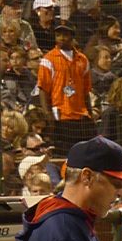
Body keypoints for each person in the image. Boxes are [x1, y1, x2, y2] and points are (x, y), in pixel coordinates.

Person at [37, 22, 96, 155]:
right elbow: (43, 90)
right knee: (65, 155)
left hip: (81, 116)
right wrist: (48, 115)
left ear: (72, 36)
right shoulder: (48, 59)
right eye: (58, 35)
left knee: (86, 154)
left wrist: (90, 114)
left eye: (65, 35)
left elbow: (86, 91)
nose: (61, 38)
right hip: (61, 116)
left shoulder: (83, 59)